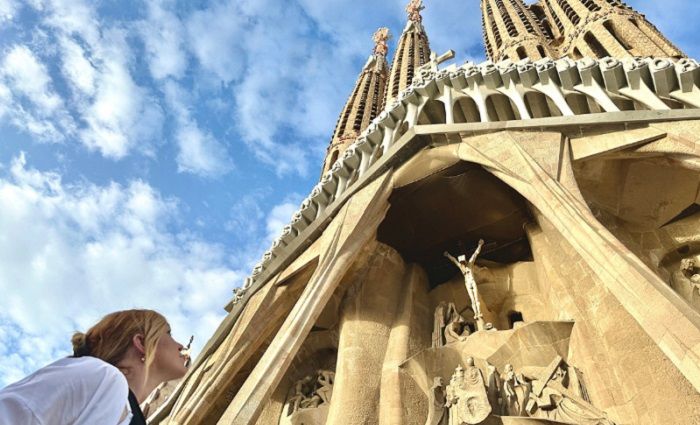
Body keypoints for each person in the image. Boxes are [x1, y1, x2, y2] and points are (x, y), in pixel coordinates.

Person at [0, 309, 189, 424]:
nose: (180, 345)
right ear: (142, 343)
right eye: (169, 334)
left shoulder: (124, 407)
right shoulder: (102, 376)